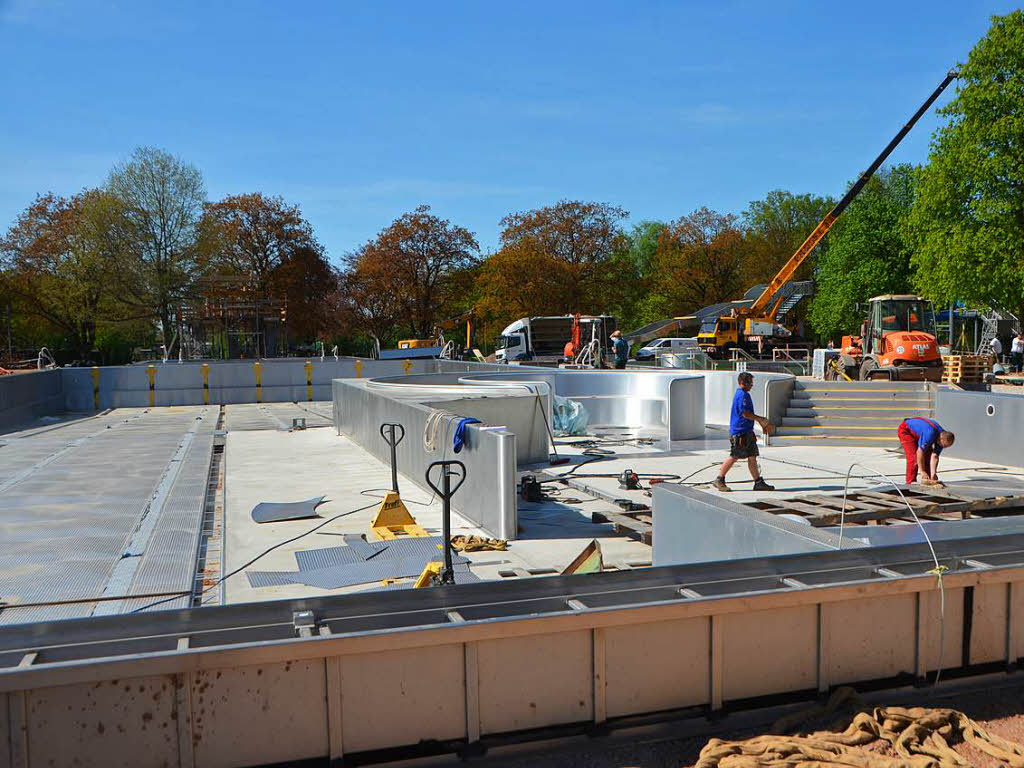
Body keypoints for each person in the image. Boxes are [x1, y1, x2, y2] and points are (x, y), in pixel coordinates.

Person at [713, 372, 775, 492]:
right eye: (750, 383)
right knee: (734, 456)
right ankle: (719, 479)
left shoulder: (744, 394)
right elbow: (745, 413)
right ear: (743, 383)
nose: (752, 385)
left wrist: (759, 422)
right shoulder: (742, 395)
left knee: (752, 457)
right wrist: (761, 420)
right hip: (740, 432)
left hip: (747, 431)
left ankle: (758, 482)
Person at [897, 417, 955, 486]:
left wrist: (934, 473)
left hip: (919, 433)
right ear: (940, 439)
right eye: (944, 445)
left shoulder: (943, 437)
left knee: (927, 456)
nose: (943, 447)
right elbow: (920, 452)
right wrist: (922, 471)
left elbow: (935, 456)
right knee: (914, 458)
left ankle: (929, 480)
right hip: (906, 431)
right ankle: (910, 483)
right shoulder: (930, 434)